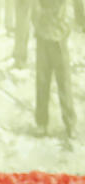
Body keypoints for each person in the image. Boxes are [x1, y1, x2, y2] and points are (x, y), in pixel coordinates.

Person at [33, 0, 76, 142]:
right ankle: (41, 122)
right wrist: (37, 22)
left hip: (59, 33)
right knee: (42, 81)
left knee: (64, 82)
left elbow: (70, 6)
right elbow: (35, 6)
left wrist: (64, 27)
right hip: (43, 32)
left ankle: (70, 123)